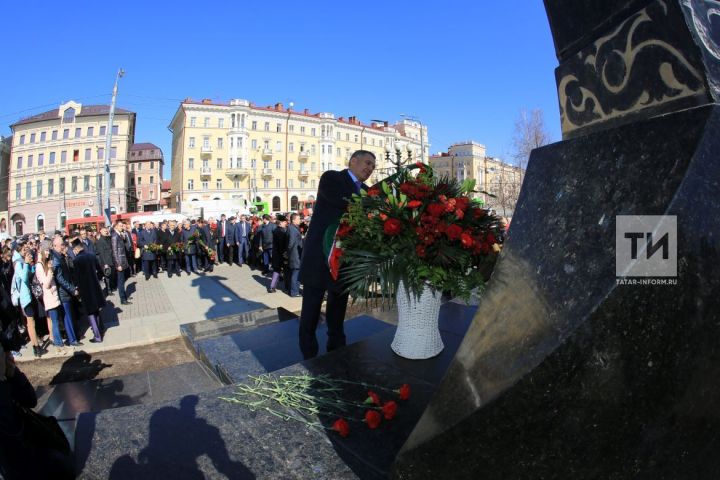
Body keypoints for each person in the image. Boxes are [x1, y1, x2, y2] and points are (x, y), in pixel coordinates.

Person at [298, 150, 376, 359]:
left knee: (338, 309)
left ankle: (337, 351)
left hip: (344, 260)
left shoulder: (368, 192)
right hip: (319, 256)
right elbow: (342, 200)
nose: (369, 169)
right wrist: (373, 201)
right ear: (353, 161)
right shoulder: (332, 178)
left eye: (373, 167)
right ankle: (309, 357)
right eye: (367, 163)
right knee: (311, 311)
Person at [0, 344, 75, 479]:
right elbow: (12, 435)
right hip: (17, 460)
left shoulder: (6, 377)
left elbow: (30, 399)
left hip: (28, 447)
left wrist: (13, 374)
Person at [11, 244, 44, 357]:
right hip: (25, 298)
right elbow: (24, 277)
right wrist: (26, 263)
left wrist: (31, 264)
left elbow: (31, 274)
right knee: (31, 323)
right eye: (24, 249)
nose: (26, 251)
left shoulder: (22, 262)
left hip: (30, 295)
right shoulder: (18, 263)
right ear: (19, 250)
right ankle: (36, 347)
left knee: (32, 322)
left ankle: (37, 345)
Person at [72, 240, 105, 343]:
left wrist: (77, 289)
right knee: (96, 309)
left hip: (85, 289)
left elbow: (76, 278)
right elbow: (100, 271)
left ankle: (97, 336)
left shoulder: (76, 260)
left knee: (90, 312)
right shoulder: (91, 255)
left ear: (77, 249)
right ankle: (100, 329)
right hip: (95, 286)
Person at [51, 237, 82, 346]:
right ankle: (72, 340)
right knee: (67, 317)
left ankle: (74, 337)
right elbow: (60, 278)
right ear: (55, 246)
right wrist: (72, 288)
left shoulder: (60, 256)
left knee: (70, 315)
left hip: (67, 291)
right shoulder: (55, 259)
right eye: (61, 245)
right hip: (63, 292)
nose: (63, 247)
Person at [35, 246, 65, 351]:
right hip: (49, 297)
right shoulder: (39, 266)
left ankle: (58, 341)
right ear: (42, 251)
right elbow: (46, 284)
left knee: (56, 320)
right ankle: (58, 342)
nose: (48, 253)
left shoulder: (45, 263)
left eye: (48, 250)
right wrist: (51, 271)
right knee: (55, 321)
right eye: (46, 250)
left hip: (54, 296)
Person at [111, 222, 131, 305]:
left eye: (122, 225)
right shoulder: (114, 236)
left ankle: (124, 295)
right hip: (120, 262)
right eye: (120, 226)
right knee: (121, 281)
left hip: (123, 260)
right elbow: (114, 251)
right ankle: (123, 299)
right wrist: (118, 264)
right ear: (115, 227)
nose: (122, 227)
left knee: (123, 280)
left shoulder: (119, 234)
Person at [268, 215, 288, 293]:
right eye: (285, 222)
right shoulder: (281, 231)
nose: (286, 223)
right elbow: (281, 245)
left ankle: (272, 287)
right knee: (282, 270)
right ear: (281, 222)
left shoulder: (276, 230)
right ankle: (275, 287)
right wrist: (284, 253)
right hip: (280, 254)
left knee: (276, 270)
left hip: (276, 254)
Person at [286, 213, 303, 297]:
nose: (300, 220)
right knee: (295, 273)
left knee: (296, 272)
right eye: (298, 219)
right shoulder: (292, 229)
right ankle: (294, 292)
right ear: (293, 220)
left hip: (295, 253)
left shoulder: (293, 228)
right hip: (295, 254)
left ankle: (295, 290)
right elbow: (291, 243)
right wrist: (288, 253)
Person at [95, 226, 115, 295]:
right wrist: (105, 264)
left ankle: (112, 287)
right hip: (105, 261)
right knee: (107, 276)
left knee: (111, 275)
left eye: (106, 230)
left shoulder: (108, 238)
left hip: (111, 259)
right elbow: (101, 253)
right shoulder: (100, 241)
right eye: (104, 231)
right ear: (100, 231)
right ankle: (108, 290)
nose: (106, 231)